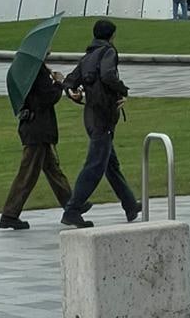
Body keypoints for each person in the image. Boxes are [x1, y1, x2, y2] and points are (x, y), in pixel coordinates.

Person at [59, 19, 141, 229]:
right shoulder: (108, 52)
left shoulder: (88, 56)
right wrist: (123, 90)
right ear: (111, 36)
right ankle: (73, 210)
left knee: (110, 164)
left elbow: (69, 81)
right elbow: (108, 75)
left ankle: (130, 205)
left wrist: (72, 93)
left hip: (90, 116)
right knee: (95, 165)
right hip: (103, 117)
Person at [0, 64, 72, 230]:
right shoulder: (36, 70)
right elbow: (49, 97)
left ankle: (72, 206)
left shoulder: (28, 70)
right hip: (37, 130)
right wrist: (59, 82)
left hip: (34, 128)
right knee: (27, 175)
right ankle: (9, 214)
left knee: (54, 171)